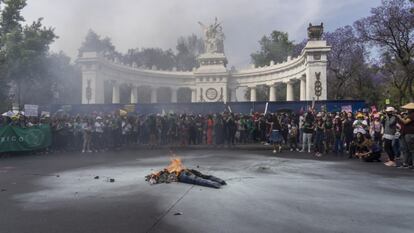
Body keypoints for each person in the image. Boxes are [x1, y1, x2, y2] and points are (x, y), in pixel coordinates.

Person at [397, 103, 414, 169]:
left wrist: (399, 117)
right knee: (407, 149)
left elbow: (405, 122)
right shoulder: (409, 115)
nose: (406, 110)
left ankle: (411, 164)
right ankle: (408, 163)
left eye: (408, 109)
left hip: (410, 134)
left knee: (411, 150)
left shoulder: (412, 115)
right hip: (406, 133)